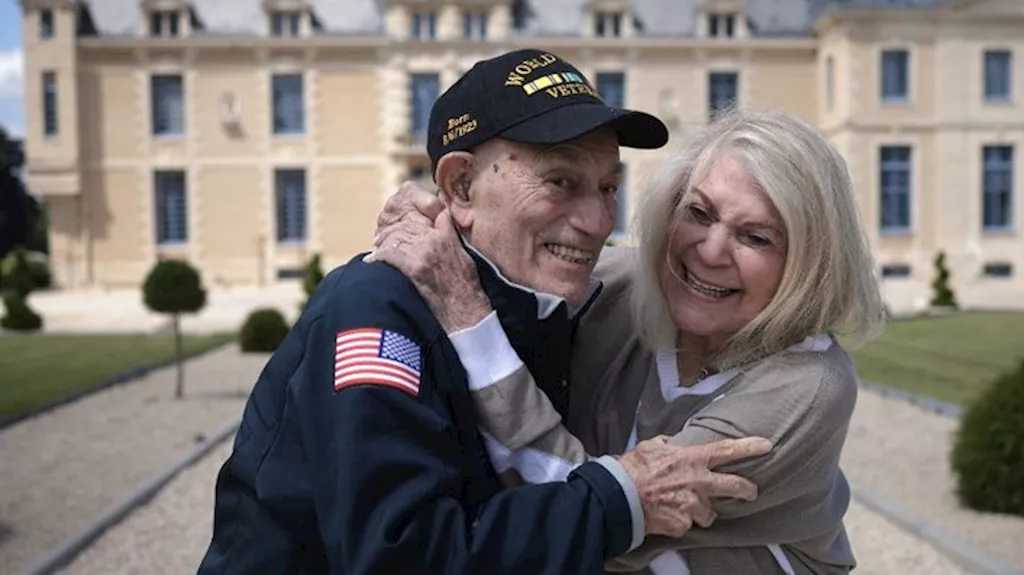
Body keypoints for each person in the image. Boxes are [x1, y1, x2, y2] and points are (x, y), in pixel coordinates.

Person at [196, 49, 776, 575]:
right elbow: (399, 557)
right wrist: (621, 498)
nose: (599, 221)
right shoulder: (376, 312)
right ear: (462, 186)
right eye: (560, 181)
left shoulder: (547, 306)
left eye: (606, 188)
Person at [369, 109, 888, 573]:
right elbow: (490, 256)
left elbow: (585, 518)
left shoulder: (806, 386)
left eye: (756, 237)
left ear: (808, 263)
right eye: (699, 213)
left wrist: (468, 319)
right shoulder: (620, 282)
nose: (709, 251)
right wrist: (439, 217)